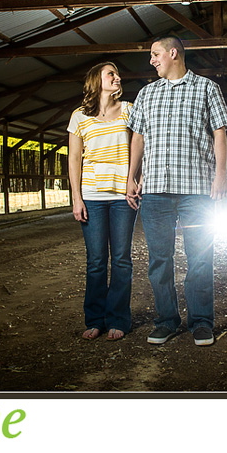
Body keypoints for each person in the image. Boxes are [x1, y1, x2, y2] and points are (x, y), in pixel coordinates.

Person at [126, 36, 227, 347]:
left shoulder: (206, 88)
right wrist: (132, 176)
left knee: (200, 257)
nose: (151, 60)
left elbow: (219, 133)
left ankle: (200, 322)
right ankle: (167, 321)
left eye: (155, 54)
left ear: (173, 53)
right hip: (156, 190)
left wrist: (221, 175)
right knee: (159, 259)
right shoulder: (147, 93)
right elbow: (138, 139)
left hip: (196, 189)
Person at [68, 62, 138, 341]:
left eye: (118, 73)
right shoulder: (79, 117)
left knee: (121, 260)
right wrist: (76, 197)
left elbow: (139, 145)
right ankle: (95, 319)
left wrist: (137, 178)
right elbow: (74, 158)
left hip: (123, 196)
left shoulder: (129, 110)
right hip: (93, 197)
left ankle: (119, 318)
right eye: (111, 73)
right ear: (97, 81)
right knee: (96, 261)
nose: (117, 77)